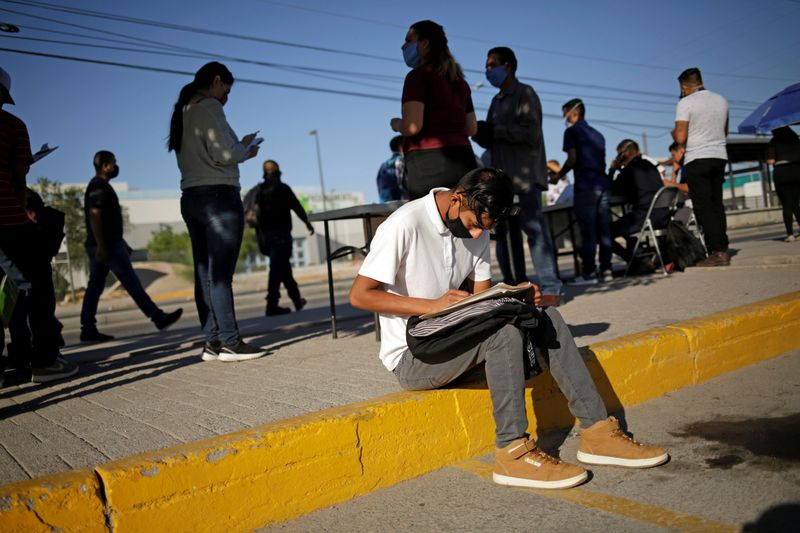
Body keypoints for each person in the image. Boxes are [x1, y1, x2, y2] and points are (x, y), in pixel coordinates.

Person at [349, 167, 668, 490]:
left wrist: (517, 298)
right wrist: (430, 306)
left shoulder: (478, 225)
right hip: (414, 357)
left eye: (483, 229)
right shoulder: (405, 224)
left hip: (454, 344)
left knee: (549, 319)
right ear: (458, 199)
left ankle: (598, 434)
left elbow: (481, 305)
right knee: (503, 335)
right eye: (474, 225)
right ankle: (512, 452)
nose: (476, 236)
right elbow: (360, 295)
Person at [168, 61, 266, 362]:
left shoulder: (184, 110)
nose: (226, 96)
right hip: (219, 196)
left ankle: (210, 342)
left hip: (191, 197)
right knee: (220, 275)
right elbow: (225, 154)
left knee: (204, 273)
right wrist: (246, 149)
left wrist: (238, 147)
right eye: (226, 89)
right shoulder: (209, 106)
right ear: (217, 80)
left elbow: (207, 152)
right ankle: (231, 343)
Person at [0, 66, 77, 383]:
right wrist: (24, 208)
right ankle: (44, 360)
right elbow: (18, 179)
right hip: (7, 218)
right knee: (34, 286)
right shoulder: (13, 125)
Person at [478, 47, 563, 306]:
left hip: (525, 178)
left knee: (534, 232)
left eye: (493, 65)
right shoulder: (496, 102)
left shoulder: (525, 94)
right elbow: (492, 140)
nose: (488, 70)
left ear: (510, 66)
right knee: (505, 234)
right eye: (487, 65)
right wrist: (480, 133)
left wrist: (496, 130)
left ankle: (551, 288)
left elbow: (530, 133)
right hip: (503, 180)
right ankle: (516, 288)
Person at [80, 151, 183, 342]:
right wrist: (103, 244)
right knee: (131, 282)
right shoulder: (99, 186)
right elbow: (95, 215)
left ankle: (88, 328)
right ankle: (158, 317)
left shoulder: (99, 186)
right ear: (105, 166)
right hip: (107, 246)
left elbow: (107, 221)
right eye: (113, 163)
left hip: (108, 244)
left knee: (95, 287)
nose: (116, 166)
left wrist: (122, 242)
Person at [391, 20, 478, 200]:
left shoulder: (418, 76)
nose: (403, 46)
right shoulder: (460, 82)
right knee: (462, 223)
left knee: (431, 225)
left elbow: (412, 126)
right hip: (464, 160)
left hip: (428, 164)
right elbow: (472, 129)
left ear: (424, 44)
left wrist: (396, 124)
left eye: (408, 40)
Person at [672, 67, 730, 266]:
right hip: (719, 155)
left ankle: (716, 252)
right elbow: (725, 131)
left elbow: (680, 137)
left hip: (698, 158)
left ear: (684, 87)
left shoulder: (685, 102)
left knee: (704, 206)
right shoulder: (721, 100)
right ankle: (722, 247)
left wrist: (675, 133)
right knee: (716, 204)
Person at [553, 99, 612, 284]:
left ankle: (589, 273)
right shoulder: (598, 135)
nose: (565, 119)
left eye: (566, 115)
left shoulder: (571, 132)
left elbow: (572, 159)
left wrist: (558, 175)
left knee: (588, 232)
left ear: (574, 113)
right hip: (602, 184)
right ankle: (607, 270)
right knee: (604, 230)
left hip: (586, 186)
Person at [254, 160, 315, 316]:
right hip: (280, 236)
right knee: (277, 270)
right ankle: (271, 305)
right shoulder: (282, 188)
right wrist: (307, 223)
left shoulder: (259, 190)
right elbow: (297, 206)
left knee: (283, 268)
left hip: (264, 238)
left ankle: (296, 300)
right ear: (278, 172)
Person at [608, 140, 670, 268]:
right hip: (663, 215)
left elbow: (612, 189)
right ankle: (640, 254)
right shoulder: (650, 166)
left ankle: (636, 261)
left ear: (623, 155)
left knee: (603, 232)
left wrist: (613, 170)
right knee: (625, 223)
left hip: (644, 217)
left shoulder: (629, 171)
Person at [768, 127, 800, 242]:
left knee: (786, 204)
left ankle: (790, 234)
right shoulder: (796, 139)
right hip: (796, 171)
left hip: (781, 172)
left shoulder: (774, 141)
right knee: (796, 203)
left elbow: (771, 160)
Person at [376, 136, 407, 202]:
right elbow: (403, 184)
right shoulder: (401, 161)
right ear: (401, 147)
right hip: (401, 203)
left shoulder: (384, 165)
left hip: (386, 204)